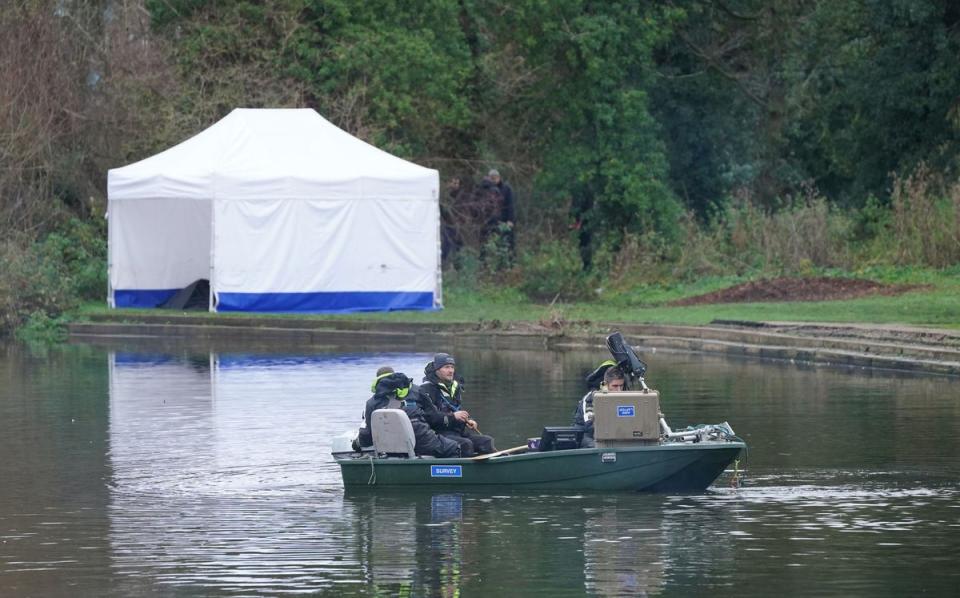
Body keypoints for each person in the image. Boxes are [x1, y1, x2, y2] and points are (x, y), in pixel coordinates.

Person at [356, 366, 461, 458]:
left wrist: (357, 444)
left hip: (390, 447)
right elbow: (433, 417)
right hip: (422, 441)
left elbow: (366, 436)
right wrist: (452, 418)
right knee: (455, 447)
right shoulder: (417, 390)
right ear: (394, 375)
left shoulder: (371, 402)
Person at [418, 353, 496, 457]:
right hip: (438, 435)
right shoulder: (426, 389)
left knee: (486, 441)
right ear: (437, 370)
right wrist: (453, 416)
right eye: (446, 367)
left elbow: (456, 410)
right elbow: (430, 417)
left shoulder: (455, 387)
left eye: (452, 367)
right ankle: (467, 471)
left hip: (456, 432)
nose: (451, 371)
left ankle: (494, 467)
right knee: (466, 445)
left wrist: (467, 420)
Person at [574, 365, 626, 448]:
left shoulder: (627, 398)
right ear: (605, 385)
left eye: (621, 386)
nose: (619, 390)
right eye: (615, 386)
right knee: (596, 445)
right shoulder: (590, 399)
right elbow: (590, 425)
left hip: (613, 434)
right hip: (587, 435)